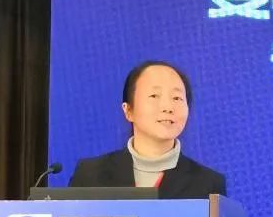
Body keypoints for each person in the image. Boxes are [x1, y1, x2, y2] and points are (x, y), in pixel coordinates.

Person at [68, 60, 226, 198]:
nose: (167, 107)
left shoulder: (209, 184)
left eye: (177, 98)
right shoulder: (90, 175)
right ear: (128, 110)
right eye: (154, 96)